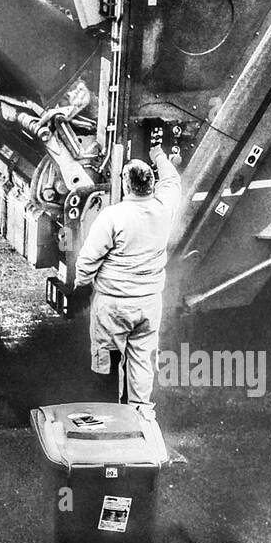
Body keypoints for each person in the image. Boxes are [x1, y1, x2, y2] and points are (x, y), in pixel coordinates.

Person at [73, 136, 182, 415]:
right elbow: (172, 182)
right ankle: (141, 414)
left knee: (107, 360)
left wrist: (81, 287)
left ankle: (110, 416)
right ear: (151, 185)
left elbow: (88, 259)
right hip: (148, 304)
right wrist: (158, 155)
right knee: (142, 360)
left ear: (125, 185)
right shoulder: (164, 209)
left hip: (113, 306)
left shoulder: (113, 217)